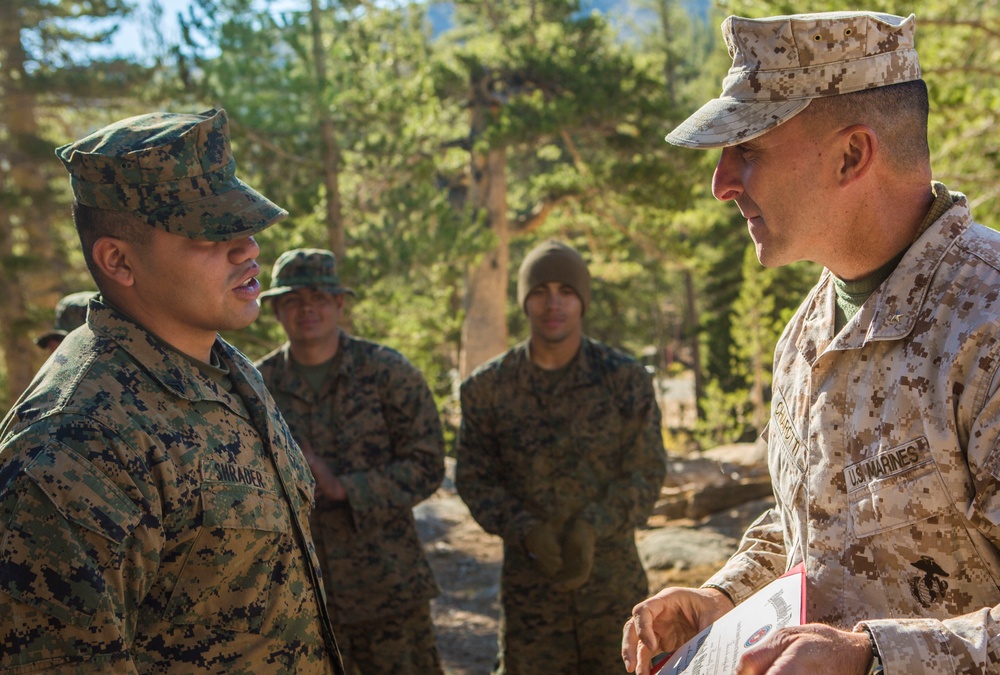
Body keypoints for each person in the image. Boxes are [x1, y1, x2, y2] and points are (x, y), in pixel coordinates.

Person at [622, 11, 1000, 675]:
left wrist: (873, 657)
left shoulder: (985, 324)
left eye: (748, 149)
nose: (721, 184)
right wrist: (721, 598)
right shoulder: (805, 336)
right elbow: (814, 520)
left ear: (852, 155)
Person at [0, 109, 343, 674]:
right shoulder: (75, 443)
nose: (248, 247)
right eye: (210, 231)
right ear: (118, 260)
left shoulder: (227, 369)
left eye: (243, 224)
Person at [456, 239, 667, 674]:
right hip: (530, 594)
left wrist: (593, 526)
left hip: (613, 589)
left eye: (566, 291)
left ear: (582, 301)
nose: (553, 303)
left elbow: (646, 473)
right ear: (524, 301)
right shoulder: (487, 389)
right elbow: (475, 480)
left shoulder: (623, 380)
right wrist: (526, 529)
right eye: (539, 291)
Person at [255, 248, 446, 675]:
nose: (307, 309)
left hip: (387, 588)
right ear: (275, 310)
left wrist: (347, 488)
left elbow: (428, 463)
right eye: (293, 300)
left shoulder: (388, 373)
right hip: (297, 597)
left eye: (319, 297)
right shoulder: (255, 387)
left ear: (339, 303)